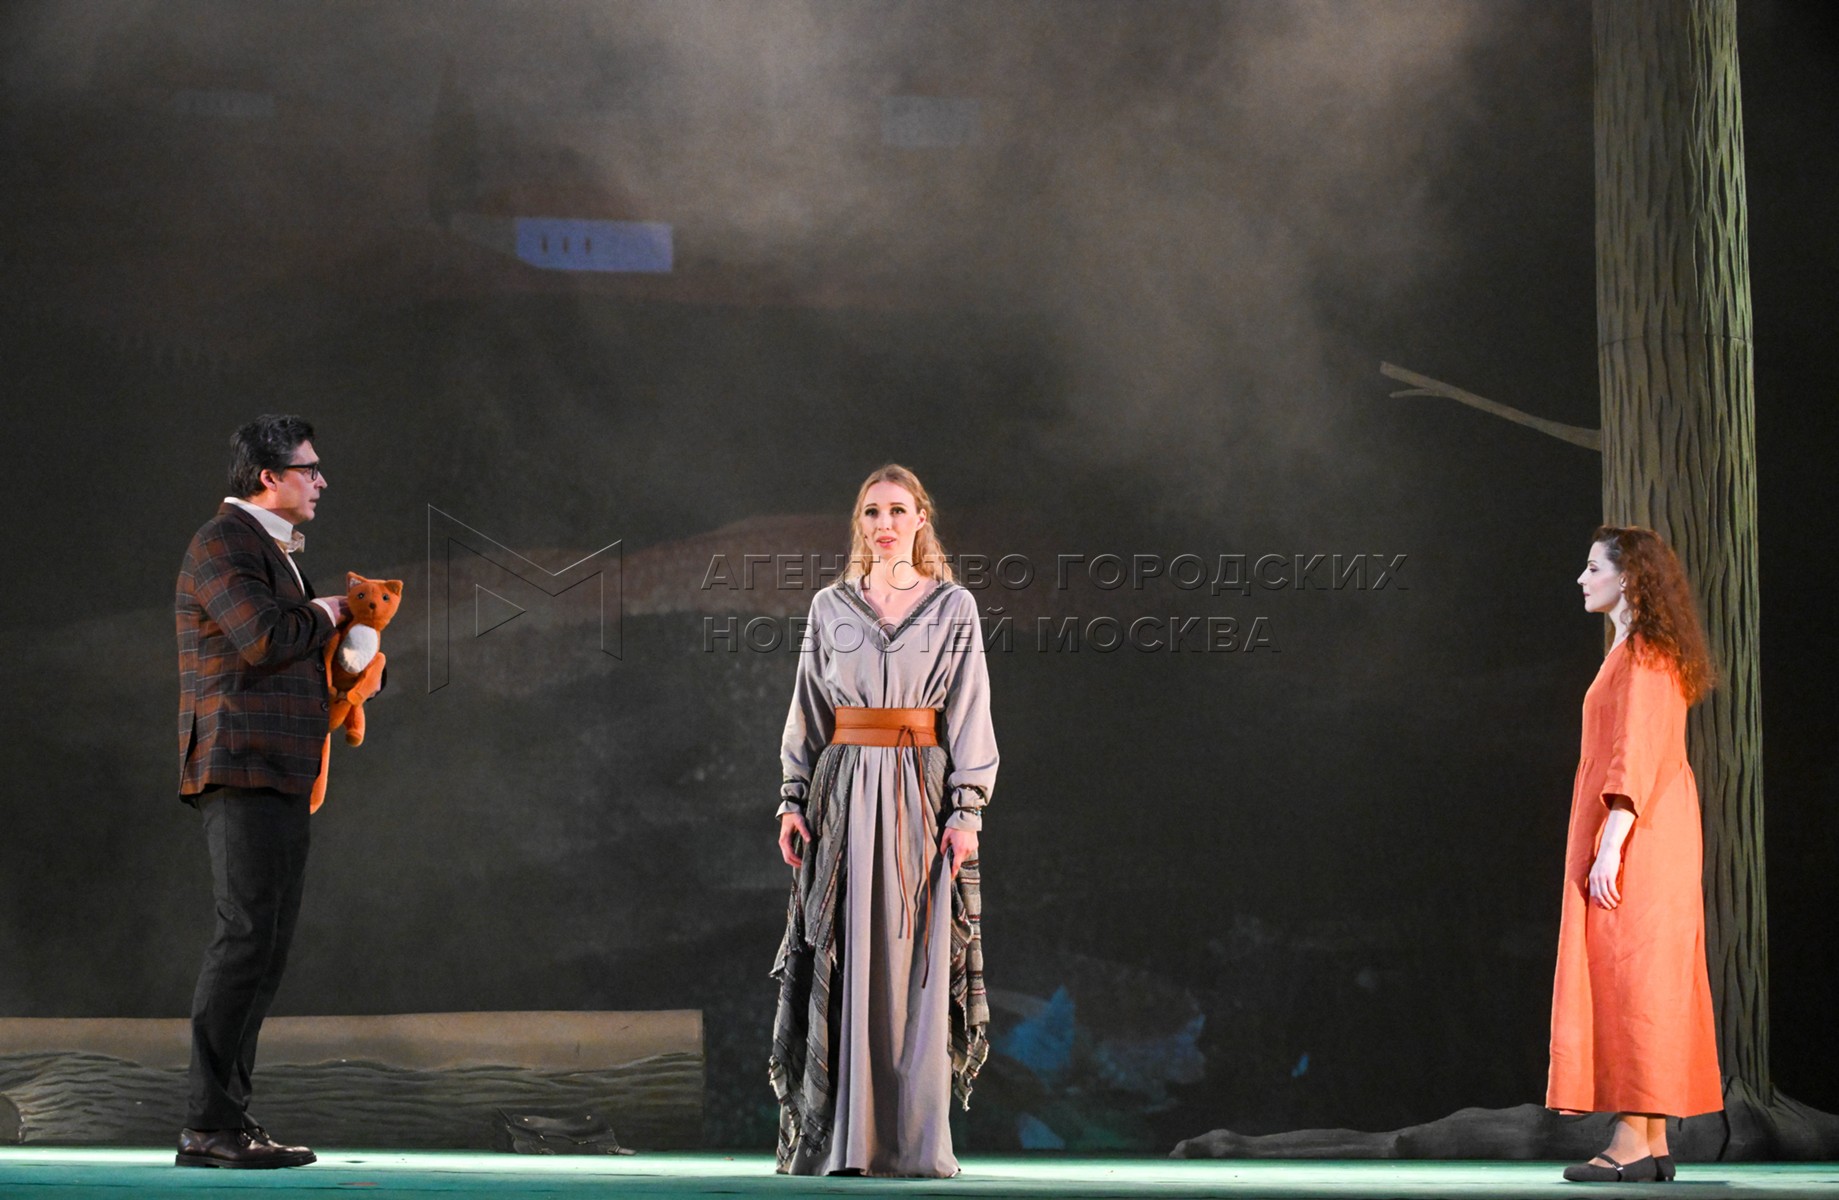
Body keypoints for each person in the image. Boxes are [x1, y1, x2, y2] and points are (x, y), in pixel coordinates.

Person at [768, 464, 997, 1177]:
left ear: (921, 518)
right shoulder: (830, 606)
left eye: (898, 510)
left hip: (918, 796)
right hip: (842, 795)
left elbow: (970, 710)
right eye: (872, 512)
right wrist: (791, 798)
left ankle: (911, 1142)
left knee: (914, 959)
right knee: (841, 953)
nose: (885, 524)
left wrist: (967, 809)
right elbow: (808, 709)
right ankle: (845, 1140)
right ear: (859, 523)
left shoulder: (953, 606)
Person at [173, 415, 347, 1169]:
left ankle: (227, 1122)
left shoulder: (269, 550)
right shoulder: (224, 542)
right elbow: (264, 638)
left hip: (278, 767)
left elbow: (286, 650)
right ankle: (208, 1126)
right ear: (269, 476)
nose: (321, 482)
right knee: (245, 937)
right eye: (309, 469)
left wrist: (349, 670)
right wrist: (332, 612)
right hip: (240, 762)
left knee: (264, 946)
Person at [1548, 524, 1722, 1183]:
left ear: (1628, 579)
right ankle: (1648, 1141)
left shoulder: (1646, 652)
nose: (1581, 578)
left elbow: (1636, 754)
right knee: (1634, 977)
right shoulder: (1634, 649)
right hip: (1643, 831)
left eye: (1593, 568)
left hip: (1640, 837)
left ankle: (1629, 1140)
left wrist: (1611, 844)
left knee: (1634, 980)